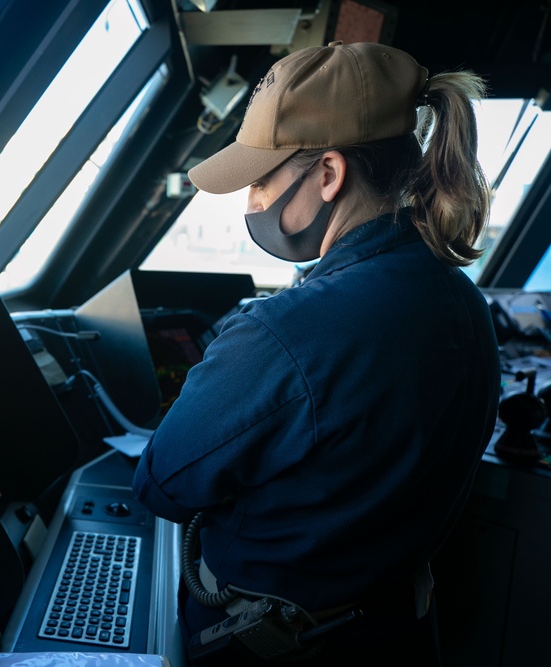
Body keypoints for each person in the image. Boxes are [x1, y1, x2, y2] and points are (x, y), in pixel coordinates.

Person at [131, 41, 501, 665]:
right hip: (397, 637)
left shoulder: (284, 332)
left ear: (328, 174)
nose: (249, 205)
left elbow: (162, 485)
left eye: (257, 182)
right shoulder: (463, 302)